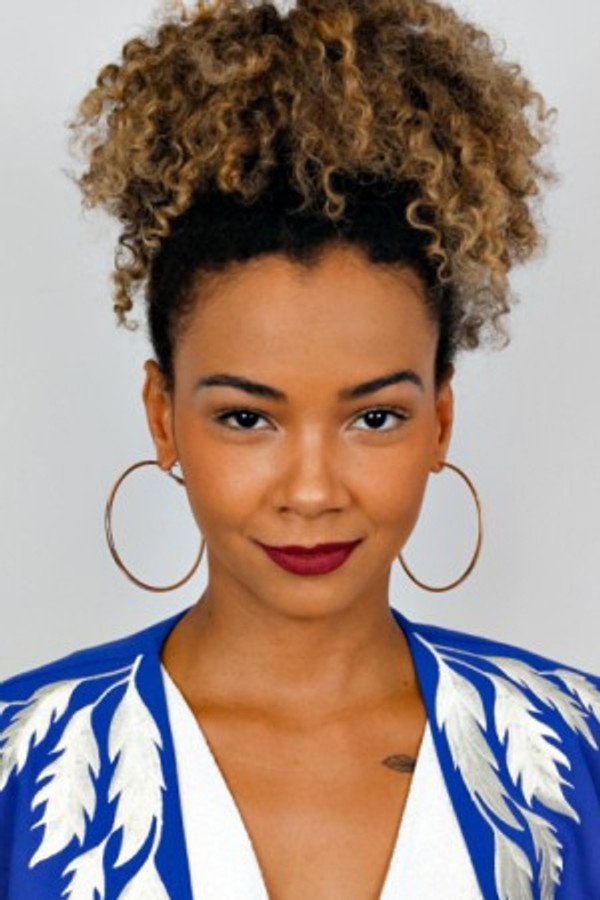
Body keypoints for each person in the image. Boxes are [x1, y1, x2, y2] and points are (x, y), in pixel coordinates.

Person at [1, 0, 599, 897]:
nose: (313, 491)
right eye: (248, 418)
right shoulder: (19, 767)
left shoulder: (578, 760)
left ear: (441, 420)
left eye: (374, 418)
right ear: (163, 417)